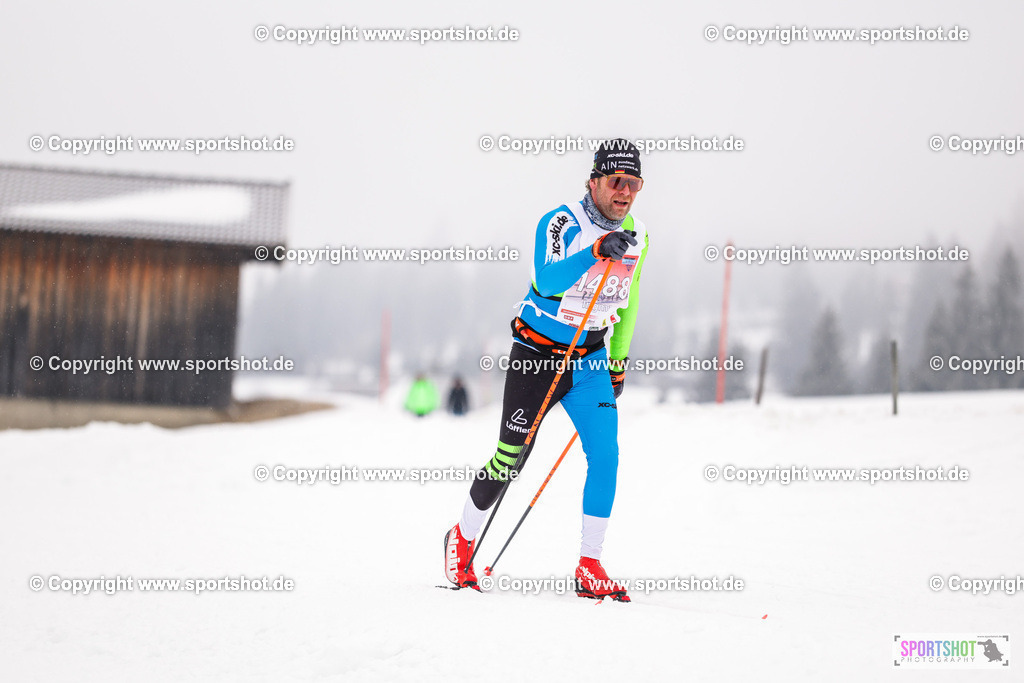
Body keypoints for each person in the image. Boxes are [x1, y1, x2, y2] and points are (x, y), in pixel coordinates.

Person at [444, 139, 650, 601]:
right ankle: (462, 537)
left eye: (634, 184)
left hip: (592, 359)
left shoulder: (638, 231)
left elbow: (630, 299)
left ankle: (590, 564)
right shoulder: (560, 222)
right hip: (538, 357)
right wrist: (596, 250)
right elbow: (546, 278)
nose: (624, 193)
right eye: (616, 181)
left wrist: (617, 360)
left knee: (607, 455)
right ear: (593, 180)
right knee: (511, 458)